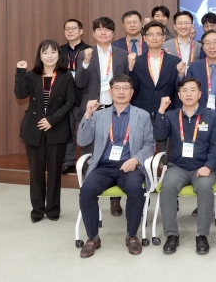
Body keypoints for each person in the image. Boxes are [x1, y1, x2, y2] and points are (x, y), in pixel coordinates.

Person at [77, 75, 155, 258]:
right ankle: (93, 238)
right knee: (87, 190)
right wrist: (87, 114)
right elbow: (82, 140)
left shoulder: (142, 115)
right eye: (117, 88)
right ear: (110, 92)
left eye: (125, 88)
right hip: (103, 166)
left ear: (132, 92)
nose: (121, 92)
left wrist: (136, 160)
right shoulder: (99, 115)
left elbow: (150, 145)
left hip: (130, 166)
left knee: (135, 189)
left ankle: (132, 236)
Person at [153, 78, 216, 254]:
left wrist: (209, 166)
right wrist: (161, 110)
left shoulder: (211, 116)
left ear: (200, 94)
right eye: (184, 90)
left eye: (193, 90)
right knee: (167, 186)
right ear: (179, 95)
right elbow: (159, 134)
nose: (189, 94)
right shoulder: (171, 115)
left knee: (206, 187)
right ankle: (171, 235)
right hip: (177, 166)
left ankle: (202, 235)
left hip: (203, 167)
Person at [14, 40, 75, 223]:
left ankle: (53, 210)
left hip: (57, 128)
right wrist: (20, 72)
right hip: (34, 129)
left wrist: (51, 120)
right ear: (39, 56)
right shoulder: (32, 75)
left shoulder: (66, 76)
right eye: (45, 52)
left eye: (53, 52)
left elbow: (70, 102)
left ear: (58, 55)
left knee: (55, 172)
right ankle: (37, 210)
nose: (49, 56)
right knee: (36, 172)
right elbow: (20, 94)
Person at [75, 17, 130, 217]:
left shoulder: (122, 55)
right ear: (93, 33)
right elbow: (79, 83)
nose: (103, 32)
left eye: (107, 29)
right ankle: (91, 199)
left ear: (113, 33)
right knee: (90, 155)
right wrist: (86, 63)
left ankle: (115, 201)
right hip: (94, 111)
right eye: (99, 29)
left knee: (116, 154)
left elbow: (130, 83)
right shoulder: (85, 54)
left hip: (117, 111)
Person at [129, 21, 184, 121]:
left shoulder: (175, 62)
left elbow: (178, 91)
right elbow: (133, 89)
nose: (154, 38)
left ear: (164, 38)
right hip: (141, 114)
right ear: (144, 38)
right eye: (150, 34)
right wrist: (130, 69)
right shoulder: (136, 62)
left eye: (158, 34)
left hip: (168, 114)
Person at [59, 19, 91, 175]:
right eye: (67, 28)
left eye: (73, 28)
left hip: (83, 97)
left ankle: (87, 161)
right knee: (67, 131)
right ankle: (69, 161)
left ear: (81, 31)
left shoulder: (90, 50)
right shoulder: (58, 50)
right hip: (64, 98)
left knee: (85, 130)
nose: (70, 31)